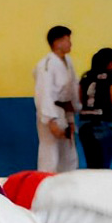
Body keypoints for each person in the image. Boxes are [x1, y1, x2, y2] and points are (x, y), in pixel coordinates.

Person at [32, 25, 80, 173]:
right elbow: (43, 93)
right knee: (50, 156)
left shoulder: (68, 62)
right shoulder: (46, 64)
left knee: (69, 157)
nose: (70, 43)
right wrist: (51, 121)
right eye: (67, 40)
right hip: (51, 113)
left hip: (64, 112)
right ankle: (46, 190)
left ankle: (68, 189)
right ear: (57, 42)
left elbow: (72, 91)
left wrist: (71, 119)